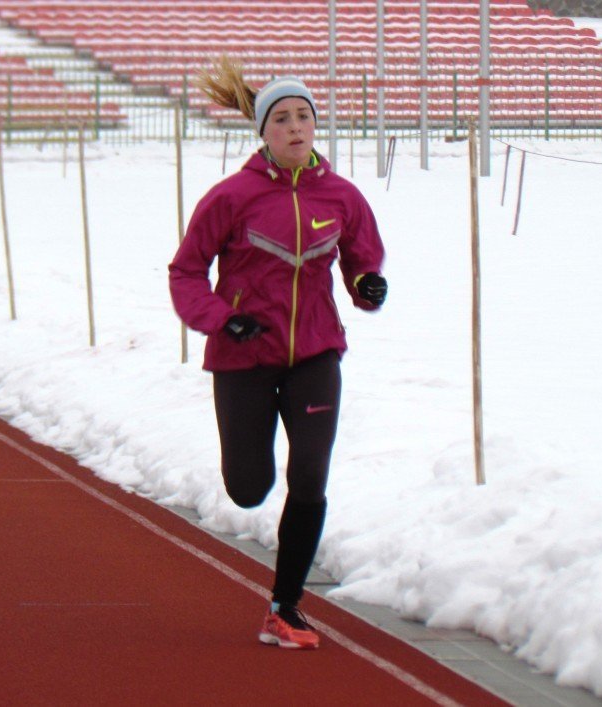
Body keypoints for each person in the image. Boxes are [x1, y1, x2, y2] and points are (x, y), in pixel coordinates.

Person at [168, 57, 388, 650]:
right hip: (243, 355)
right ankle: (250, 490)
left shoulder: (342, 196)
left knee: (310, 475)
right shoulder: (231, 197)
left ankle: (284, 608)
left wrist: (367, 285)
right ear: (263, 130)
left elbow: (362, 259)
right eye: (282, 118)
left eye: (304, 117)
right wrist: (222, 319)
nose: (295, 127)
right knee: (248, 487)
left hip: (315, 354)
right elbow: (186, 271)